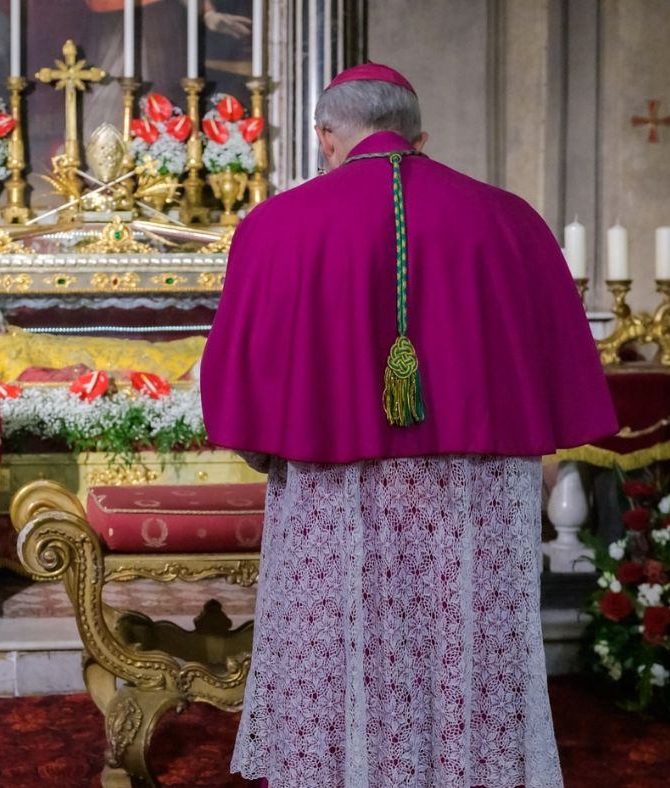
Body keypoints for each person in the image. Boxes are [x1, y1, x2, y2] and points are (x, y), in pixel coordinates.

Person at [200, 63, 617, 788]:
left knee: (343, 643)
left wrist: (274, 449)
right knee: (462, 642)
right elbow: (558, 357)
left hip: (334, 487)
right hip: (475, 493)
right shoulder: (509, 218)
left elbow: (244, 370)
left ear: (326, 137)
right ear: (419, 135)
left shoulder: (275, 225)